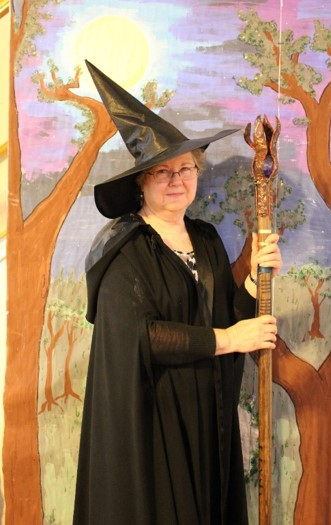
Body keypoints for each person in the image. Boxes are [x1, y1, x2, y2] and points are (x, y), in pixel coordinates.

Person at [73, 61, 282, 525]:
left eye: (185, 168)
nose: (176, 180)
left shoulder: (205, 237)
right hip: (153, 423)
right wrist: (231, 339)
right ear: (141, 184)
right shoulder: (124, 250)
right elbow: (143, 338)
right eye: (162, 172)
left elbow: (226, 316)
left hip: (205, 417)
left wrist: (252, 279)